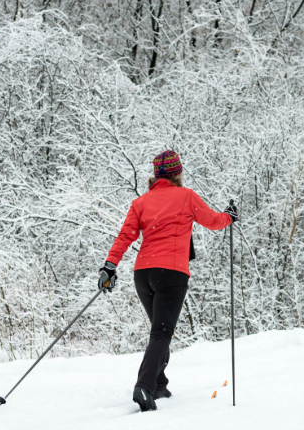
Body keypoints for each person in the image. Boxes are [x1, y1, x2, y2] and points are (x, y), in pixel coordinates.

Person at [98, 150, 238, 411]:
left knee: (158, 332)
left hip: (143, 275)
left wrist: (110, 266)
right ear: (177, 173)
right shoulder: (186, 196)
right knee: (161, 333)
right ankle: (144, 385)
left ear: (155, 176)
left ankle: (160, 384)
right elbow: (212, 221)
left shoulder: (140, 202)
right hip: (171, 273)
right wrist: (229, 216)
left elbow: (125, 236)